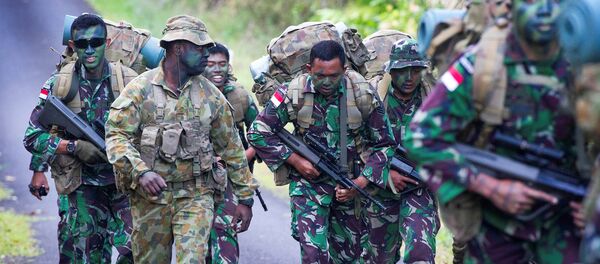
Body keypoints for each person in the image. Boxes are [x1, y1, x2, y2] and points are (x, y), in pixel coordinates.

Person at [405, 0, 584, 263]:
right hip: (496, 229)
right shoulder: (483, 63)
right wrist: (492, 188)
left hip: (565, 226)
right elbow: (421, 137)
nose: (544, 9)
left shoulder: (584, 62)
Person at [105, 15, 259, 263]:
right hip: (150, 199)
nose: (207, 54)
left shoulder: (211, 96)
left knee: (193, 260)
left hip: (196, 196)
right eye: (200, 48)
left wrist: (245, 198)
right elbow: (116, 135)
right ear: (178, 48)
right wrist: (141, 171)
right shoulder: (139, 90)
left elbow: (232, 149)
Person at [248, 40, 395, 263]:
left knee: (350, 256)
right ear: (309, 70)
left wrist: (360, 184)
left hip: (348, 183)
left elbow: (384, 144)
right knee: (313, 254)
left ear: (345, 71)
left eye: (333, 76)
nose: (326, 82)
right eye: (319, 76)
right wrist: (296, 161)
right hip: (308, 185)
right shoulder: (293, 92)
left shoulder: (363, 94)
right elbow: (259, 131)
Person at [23, 13, 136, 263]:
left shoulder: (129, 82)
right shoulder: (60, 85)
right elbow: (31, 137)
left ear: (106, 44)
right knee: (90, 257)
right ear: (73, 46)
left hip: (125, 185)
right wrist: (73, 146)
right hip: (84, 186)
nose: (90, 49)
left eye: (95, 42)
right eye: (82, 44)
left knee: (136, 252)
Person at [367, 38, 440, 264]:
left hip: (419, 188)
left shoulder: (435, 100)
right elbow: (358, 144)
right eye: (402, 70)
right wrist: (386, 174)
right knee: (378, 257)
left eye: (415, 70)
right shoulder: (373, 98)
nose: (409, 78)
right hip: (378, 191)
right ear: (391, 70)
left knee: (420, 251)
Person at [202, 43, 260, 263]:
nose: (217, 69)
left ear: (229, 66)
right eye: (211, 64)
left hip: (229, 179)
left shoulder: (240, 96)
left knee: (225, 234)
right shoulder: (190, 92)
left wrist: (242, 157)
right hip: (196, 177)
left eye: (222, 64)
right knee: (198, 242)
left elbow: (262, 136)